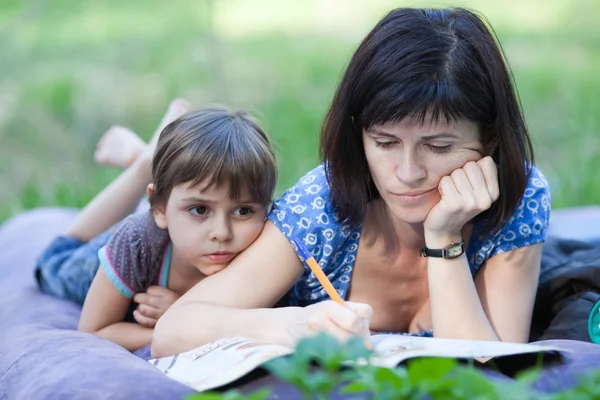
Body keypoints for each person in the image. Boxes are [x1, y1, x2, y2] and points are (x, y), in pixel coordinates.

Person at [152, 7, 551, 358]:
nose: (408, 172)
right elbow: (173, 329)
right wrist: (295, 326)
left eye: (438, 146)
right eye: (385, 142)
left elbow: (491, 369)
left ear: (491, 139)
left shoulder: (521, 200)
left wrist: (445, 238)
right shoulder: (323, 205)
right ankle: (142, 161)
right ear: (359, 134)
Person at [34, 102, 278, 350]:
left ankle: (155, 168)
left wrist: (181, 311)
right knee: (54, 258)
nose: (222, 233)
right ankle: (144, 166)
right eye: (200, 210)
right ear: (159, 209)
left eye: (243, 211)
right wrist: (174, 326)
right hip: (112, 261)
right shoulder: (136, 241)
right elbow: (94, 330)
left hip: (172, 225)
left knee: (178, 195)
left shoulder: (267, 247)